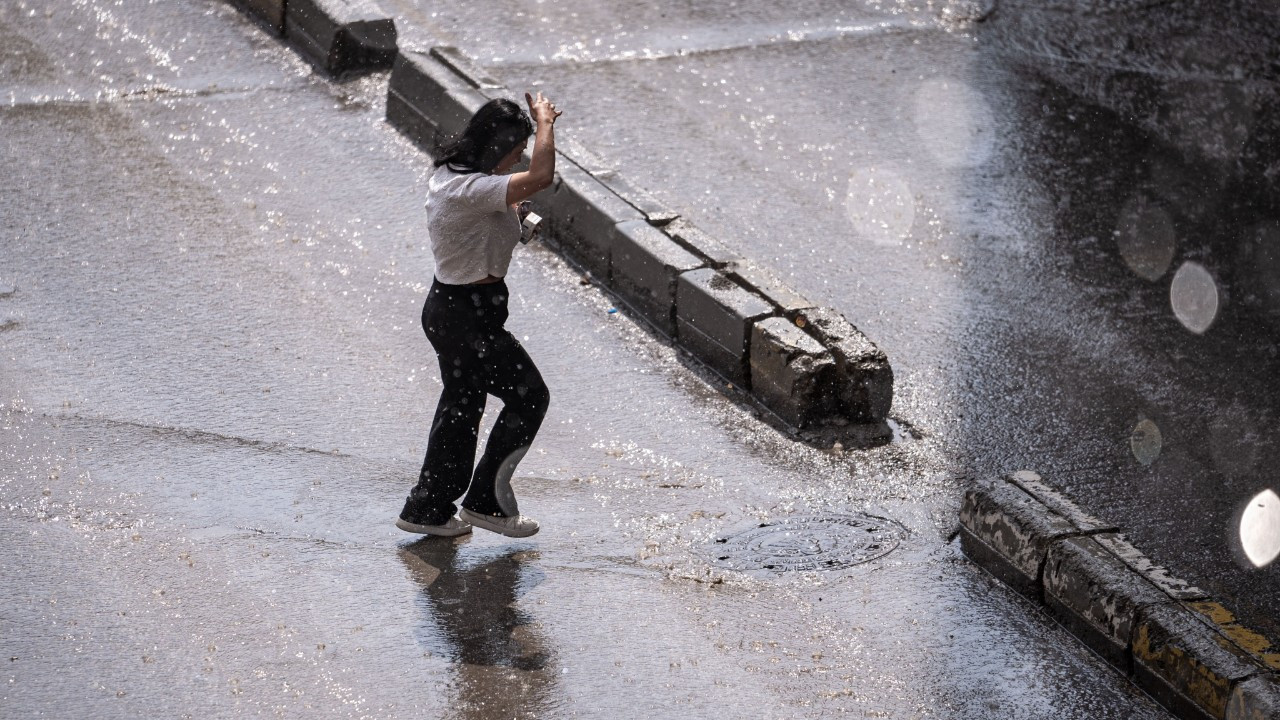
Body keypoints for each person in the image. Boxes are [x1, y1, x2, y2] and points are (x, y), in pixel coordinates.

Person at [397, 92, 563, 538]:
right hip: (468, 318)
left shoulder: (454, 175)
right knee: (529, 397)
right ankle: (486, 502)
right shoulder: (473, 189)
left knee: (462, 403)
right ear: (496, 147)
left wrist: (516, 214)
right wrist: (545, 123)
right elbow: (543, 175)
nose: (519, 159)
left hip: (452, 309)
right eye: (516, 151)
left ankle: (427, 508)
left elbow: (487, 212)